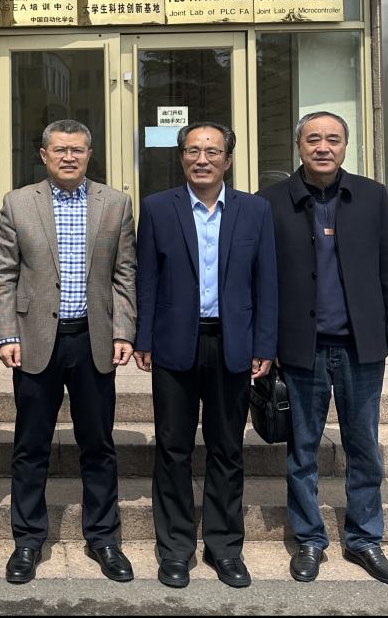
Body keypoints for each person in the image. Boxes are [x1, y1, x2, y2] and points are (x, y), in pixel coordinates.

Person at [258, 111, 388, 586]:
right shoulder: (272, 202)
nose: (323, 147)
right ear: (299, 146)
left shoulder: (371, 196)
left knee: (363, 445)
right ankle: (309, 539)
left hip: (360, 346)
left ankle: (365, 539)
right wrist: (265, 343)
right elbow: (261, 278)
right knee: (302, 449)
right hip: (300, 347)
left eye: (333, 139)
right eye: (313, 139)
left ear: (346, 146)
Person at [0, 119, 137, 585]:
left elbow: (125, 274)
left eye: (77, 149)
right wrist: (7, 335)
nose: (69, 157)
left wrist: (123, 331)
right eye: (60, 150)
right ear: (44, 155)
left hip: (93, 340)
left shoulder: (115, 203)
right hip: (35, 341)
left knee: (98, 445)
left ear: (89, 154)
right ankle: (28, 540)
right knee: (31, 445)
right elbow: (2, 274)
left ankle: (104, 538)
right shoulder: (18, 202)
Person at [133, 121, 277, 590]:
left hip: (232, 343)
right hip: (174, 343)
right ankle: (175, 548)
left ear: (228, 160)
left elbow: (266, 283)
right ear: (181, 158)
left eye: (213, 151)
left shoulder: (255, 210)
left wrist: (264, 344)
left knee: (227, 448)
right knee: (172, 448)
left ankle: (224, 547)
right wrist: (143, 339)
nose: (203, 159)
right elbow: (146, 279)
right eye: (193, 150)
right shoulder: (158, 208)